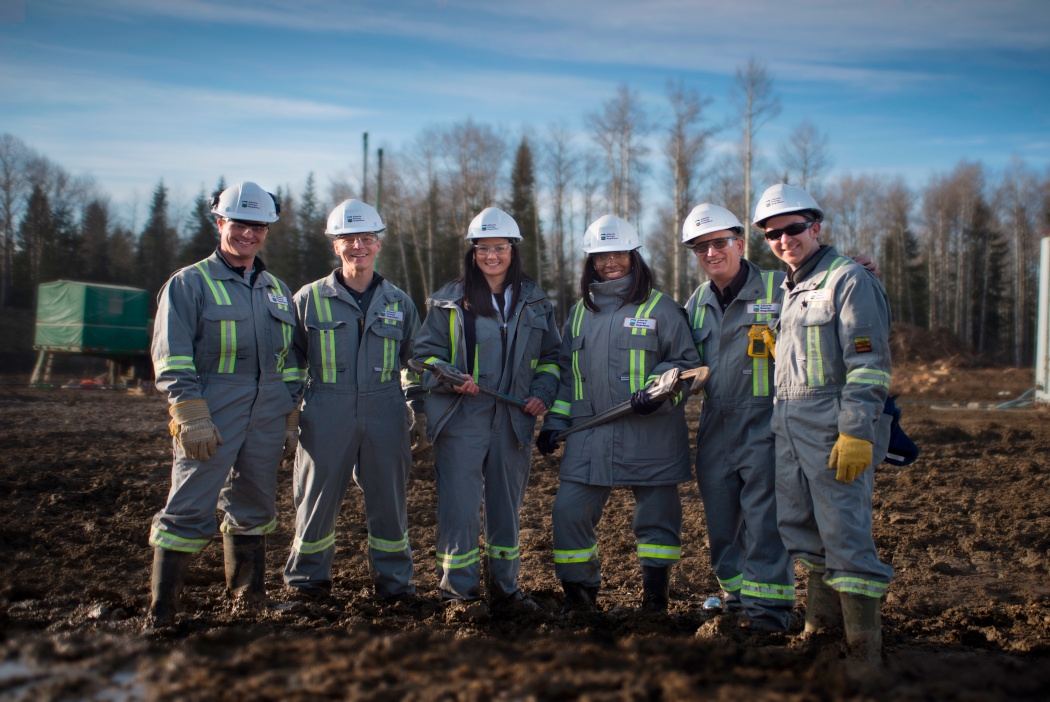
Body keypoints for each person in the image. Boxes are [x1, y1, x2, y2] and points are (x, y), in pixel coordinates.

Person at [147, 182, 301, 628]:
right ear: (220, 223)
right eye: (240, 224)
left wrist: (289, 413)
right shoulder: (189, 283)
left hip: (267, 411)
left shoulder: (276, 289)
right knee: (189, 504)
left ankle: (249, 598)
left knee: (255, 503)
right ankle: (162, 611)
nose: (249, 234)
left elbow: (289, 359)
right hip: (212, 408)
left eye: (259, 227)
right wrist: (189, 413)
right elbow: (171, 356)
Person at [755, 183, 893, 662]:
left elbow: (869, 365)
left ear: (815, 227)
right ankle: (819, 638)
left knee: (845, 536)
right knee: (804, 532)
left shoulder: (848, 279)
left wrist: (855, 430)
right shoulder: (791, 288)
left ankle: (862, 654)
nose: (784, 239)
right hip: (790, 430)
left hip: (833, 432)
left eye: (793, 228)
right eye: (772, 234)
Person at [537, 215, 700, 614]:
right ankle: (580, 599)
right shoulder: (579, 313)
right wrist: (555, 423)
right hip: (590, 433)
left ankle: (655, 602)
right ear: (590, 262)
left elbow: (686, 365)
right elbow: (569, 378)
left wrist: (658, 390)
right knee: (569, 511)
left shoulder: (662, 307)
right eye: (600, 256)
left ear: (634, 256)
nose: (609, 262)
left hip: (651, 432)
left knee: (658, 518)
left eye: (618, 254)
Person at [413, 207, 561, 614]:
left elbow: (552, 358)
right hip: (461, 415)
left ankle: (505, 591)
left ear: (513, 250)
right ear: (472, 252)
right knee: (459, 507)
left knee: (505, 509)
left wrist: (542, 393)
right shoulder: (448, 301)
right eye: (482, 248)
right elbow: (424, 357)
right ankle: (458, 593)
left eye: (499, 247)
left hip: (514, 418)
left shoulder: (535, 302)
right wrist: (451, 377)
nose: (491, 255)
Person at [284, 199, 422, 602]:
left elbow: (416, 361)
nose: (357, 246)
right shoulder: (308, 299)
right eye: (348, 239)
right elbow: (289, 361)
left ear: (378, 244)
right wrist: (288, 414)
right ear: (336, 246)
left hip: (386, 410)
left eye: (365, 238)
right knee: (316, 500)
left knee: (390, 503)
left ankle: (395, 586)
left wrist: (417, 408)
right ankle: (307, 583)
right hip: (326, 409)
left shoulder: (399, 302)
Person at [681, 203, 794, 632]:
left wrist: (858, 270)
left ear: (740, 244)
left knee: (765, 523)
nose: (711, 253)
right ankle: (736, 599)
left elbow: (828, 296)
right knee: (721, 520)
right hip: (715, 423)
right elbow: (680, 357)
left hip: (767, 421)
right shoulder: (697, 303)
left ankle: (769, 613)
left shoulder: (780, 286)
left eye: (719, 243)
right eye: (701, 247)